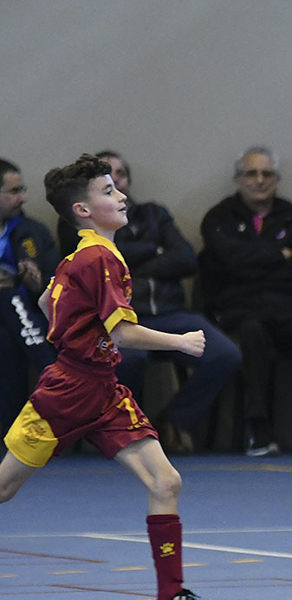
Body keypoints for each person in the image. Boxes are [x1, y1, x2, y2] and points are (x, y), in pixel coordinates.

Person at [0, 154, 207, 600]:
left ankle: (172, 593)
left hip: (105, 390)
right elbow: (124, 332)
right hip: (67, 392)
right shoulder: (97, 258)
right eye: (109, 191)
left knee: (165, 482)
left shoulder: (88, 256)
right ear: (83, 210)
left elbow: (46, 306)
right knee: (3, 489)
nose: (122, 196)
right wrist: (181, 342)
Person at [57, 151, 241, 454]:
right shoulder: (77, 221)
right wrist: (153, 252)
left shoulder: (154, 214)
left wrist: (126, 262)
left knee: (225, 354)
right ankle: (113, 433)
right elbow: (91, 266)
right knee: (130, 359)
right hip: (113, 322)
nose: (114, 179)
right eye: (105, 175)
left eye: (120, 174)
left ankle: (173, 420)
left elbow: (184, 259)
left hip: (170, 313)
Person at [199, 146, 292, 458]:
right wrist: (280, 255)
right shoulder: (218, 218)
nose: (260, 180)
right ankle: (258, 429)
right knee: (252, 332)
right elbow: (228, 262)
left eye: (267, 174)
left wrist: (253, 264)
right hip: (242, 310)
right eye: (252, 173)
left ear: (277, 180)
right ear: (238, 180)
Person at [0, 158, 58, 433]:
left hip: (33, 315)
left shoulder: (33, 231)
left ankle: (15, 434)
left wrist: (39, 285)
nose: (23, 198)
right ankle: (52, 376)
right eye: (14, 192)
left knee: (8, 337)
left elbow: (58, 285)